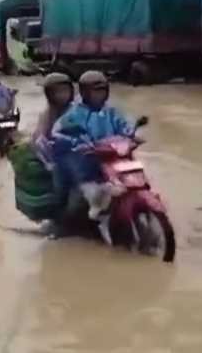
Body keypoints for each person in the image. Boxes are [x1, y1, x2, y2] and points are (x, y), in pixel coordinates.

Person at [51, 70, 138, 244]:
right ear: (84, 93)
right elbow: (57, 131)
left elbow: (124, 125)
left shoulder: (111, 111)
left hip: (112, 158)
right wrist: (74, 140)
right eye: (95, 91)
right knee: (80, 198)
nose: (99, 95)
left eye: (102, 91)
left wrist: (131, 133)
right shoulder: (75, 113)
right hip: (86, 161)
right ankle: (64, 227)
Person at [31, 72, 76, 236]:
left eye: (65, 91)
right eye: (57, 92)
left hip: (85, 154)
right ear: (50, 95)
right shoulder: (48, 114)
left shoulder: (79, 108)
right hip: (60, 159)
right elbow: (39, 138)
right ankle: (59, 223)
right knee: (61, 188)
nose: (62, 95)